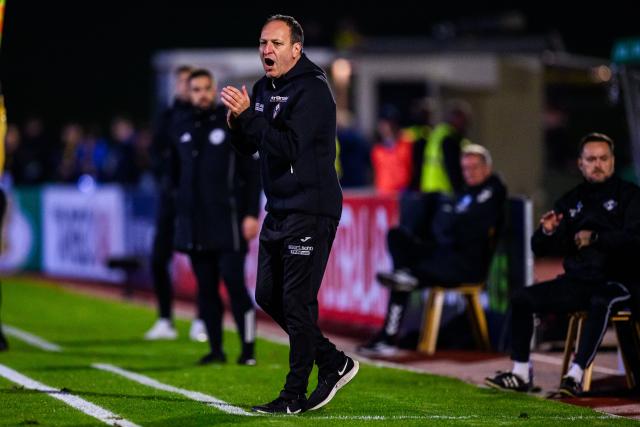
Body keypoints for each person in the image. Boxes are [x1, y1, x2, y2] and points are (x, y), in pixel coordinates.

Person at [221, 14, 358, 414]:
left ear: (296, 49)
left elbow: (288, 148)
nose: (267, 50)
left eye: (276, 44)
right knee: (268, 295)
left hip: (311, 208)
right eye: (263, 43)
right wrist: (237, 126)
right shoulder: (264, 88)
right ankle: (334, 362)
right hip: (279, 208)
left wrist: (251, 118)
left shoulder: (313, 91)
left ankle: (293, 395)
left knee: (297, 302)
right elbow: (253, 147)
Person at [485, 133, 639, 397]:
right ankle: (521, 372)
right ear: (580, 163)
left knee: (602, 300)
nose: (598, 164)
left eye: (603, 158)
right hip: (579, 281)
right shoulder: (571, 201)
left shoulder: (630, 196)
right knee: (522, 298)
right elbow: (540, 248)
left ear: (613, 161)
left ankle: (575, 375)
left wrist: (596, 238)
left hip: (620, 279)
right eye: (591, 159)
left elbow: (635, 239)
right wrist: (546, 231)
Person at [358, 144, 506, 355]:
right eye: (465, 168)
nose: (469, 173)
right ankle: (405, 278)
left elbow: (466, 230)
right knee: (397, 238)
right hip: (446, 255)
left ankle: (390, 332)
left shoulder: (492, 190)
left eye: (474, 167)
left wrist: (449, 223)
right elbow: (450, 228)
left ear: (487, 168)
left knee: (405, 273)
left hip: (466, 265)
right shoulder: (465, 193)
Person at [172, 69, 260, 365]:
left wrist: (250, 213)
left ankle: (248, 351)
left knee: (235, 285)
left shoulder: (229, 121)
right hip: (196, 224)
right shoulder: (182, 127)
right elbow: (175, 176)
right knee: (206, 290)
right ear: (189, 92)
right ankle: (216, 350)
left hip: (229, 222)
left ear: (214, 89)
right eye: (196, 89)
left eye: (207, 88)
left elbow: (251, 173)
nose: (202, 94)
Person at [143, 65, 204, 341]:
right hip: (170, 199)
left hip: (196, 201)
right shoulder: (166, 116)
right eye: (179, 81)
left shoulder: (203, 116)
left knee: (201, 261)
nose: (182, 86)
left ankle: (202, 319)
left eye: (187, 81)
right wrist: (165, 178)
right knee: (158, 259)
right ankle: (165, 319)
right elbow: (154, 152)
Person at [418, 100, 472, 196]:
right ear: (455, 118)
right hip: (444, 193)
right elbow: (453, 169)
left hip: (428, 190)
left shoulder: (437, 134)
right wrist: (460, 192)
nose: (466, 124)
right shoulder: (450, 139)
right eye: (464, 119)